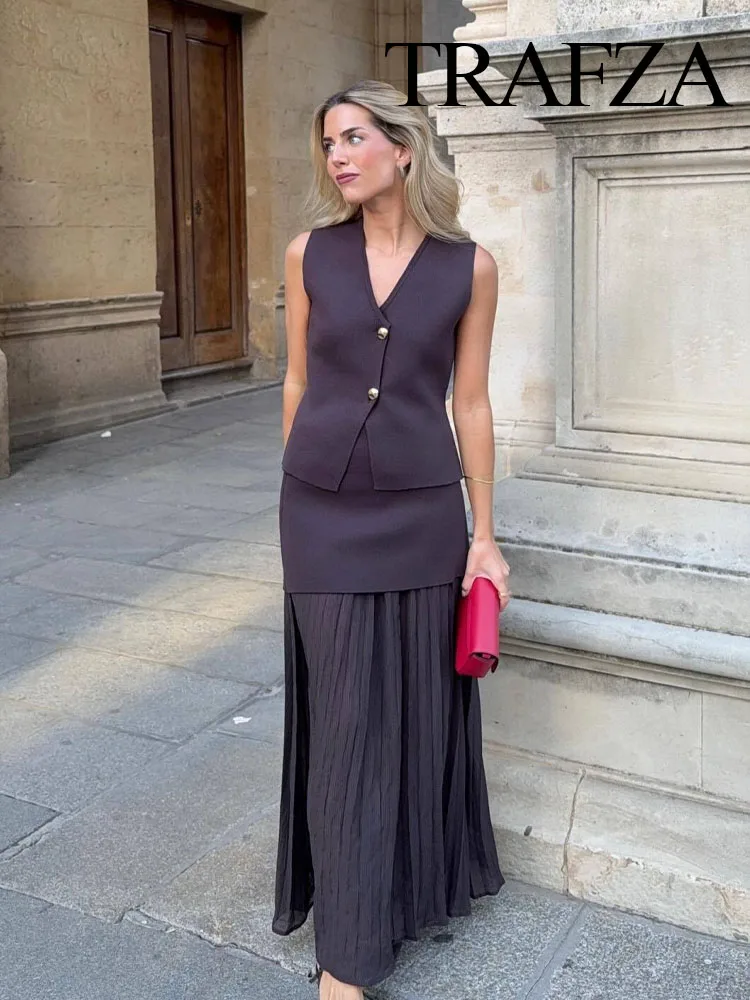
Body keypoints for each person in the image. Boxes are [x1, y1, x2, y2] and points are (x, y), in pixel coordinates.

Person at [271, 79, 511, 1000]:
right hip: (321, 515)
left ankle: (406, 892)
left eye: (354, 137)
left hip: (421, 515)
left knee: (412, 710)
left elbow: (471, 402)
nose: (337, 155)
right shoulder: (309, 253)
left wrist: (484, 537)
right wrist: (297, 482)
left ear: (403, 149)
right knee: (345, 720)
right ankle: (349, 954)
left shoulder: (469, 267)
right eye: (329, 142)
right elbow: (297, 381)